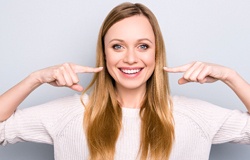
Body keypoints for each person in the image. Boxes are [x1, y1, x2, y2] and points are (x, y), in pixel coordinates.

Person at [0, 2, 250, 160]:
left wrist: (231, 77)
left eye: (143, 46)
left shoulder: (194, 116)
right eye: (118, 46)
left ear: (156, 53)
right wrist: (35, 79)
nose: (131, 58)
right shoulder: (69, 113)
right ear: (105, 53)